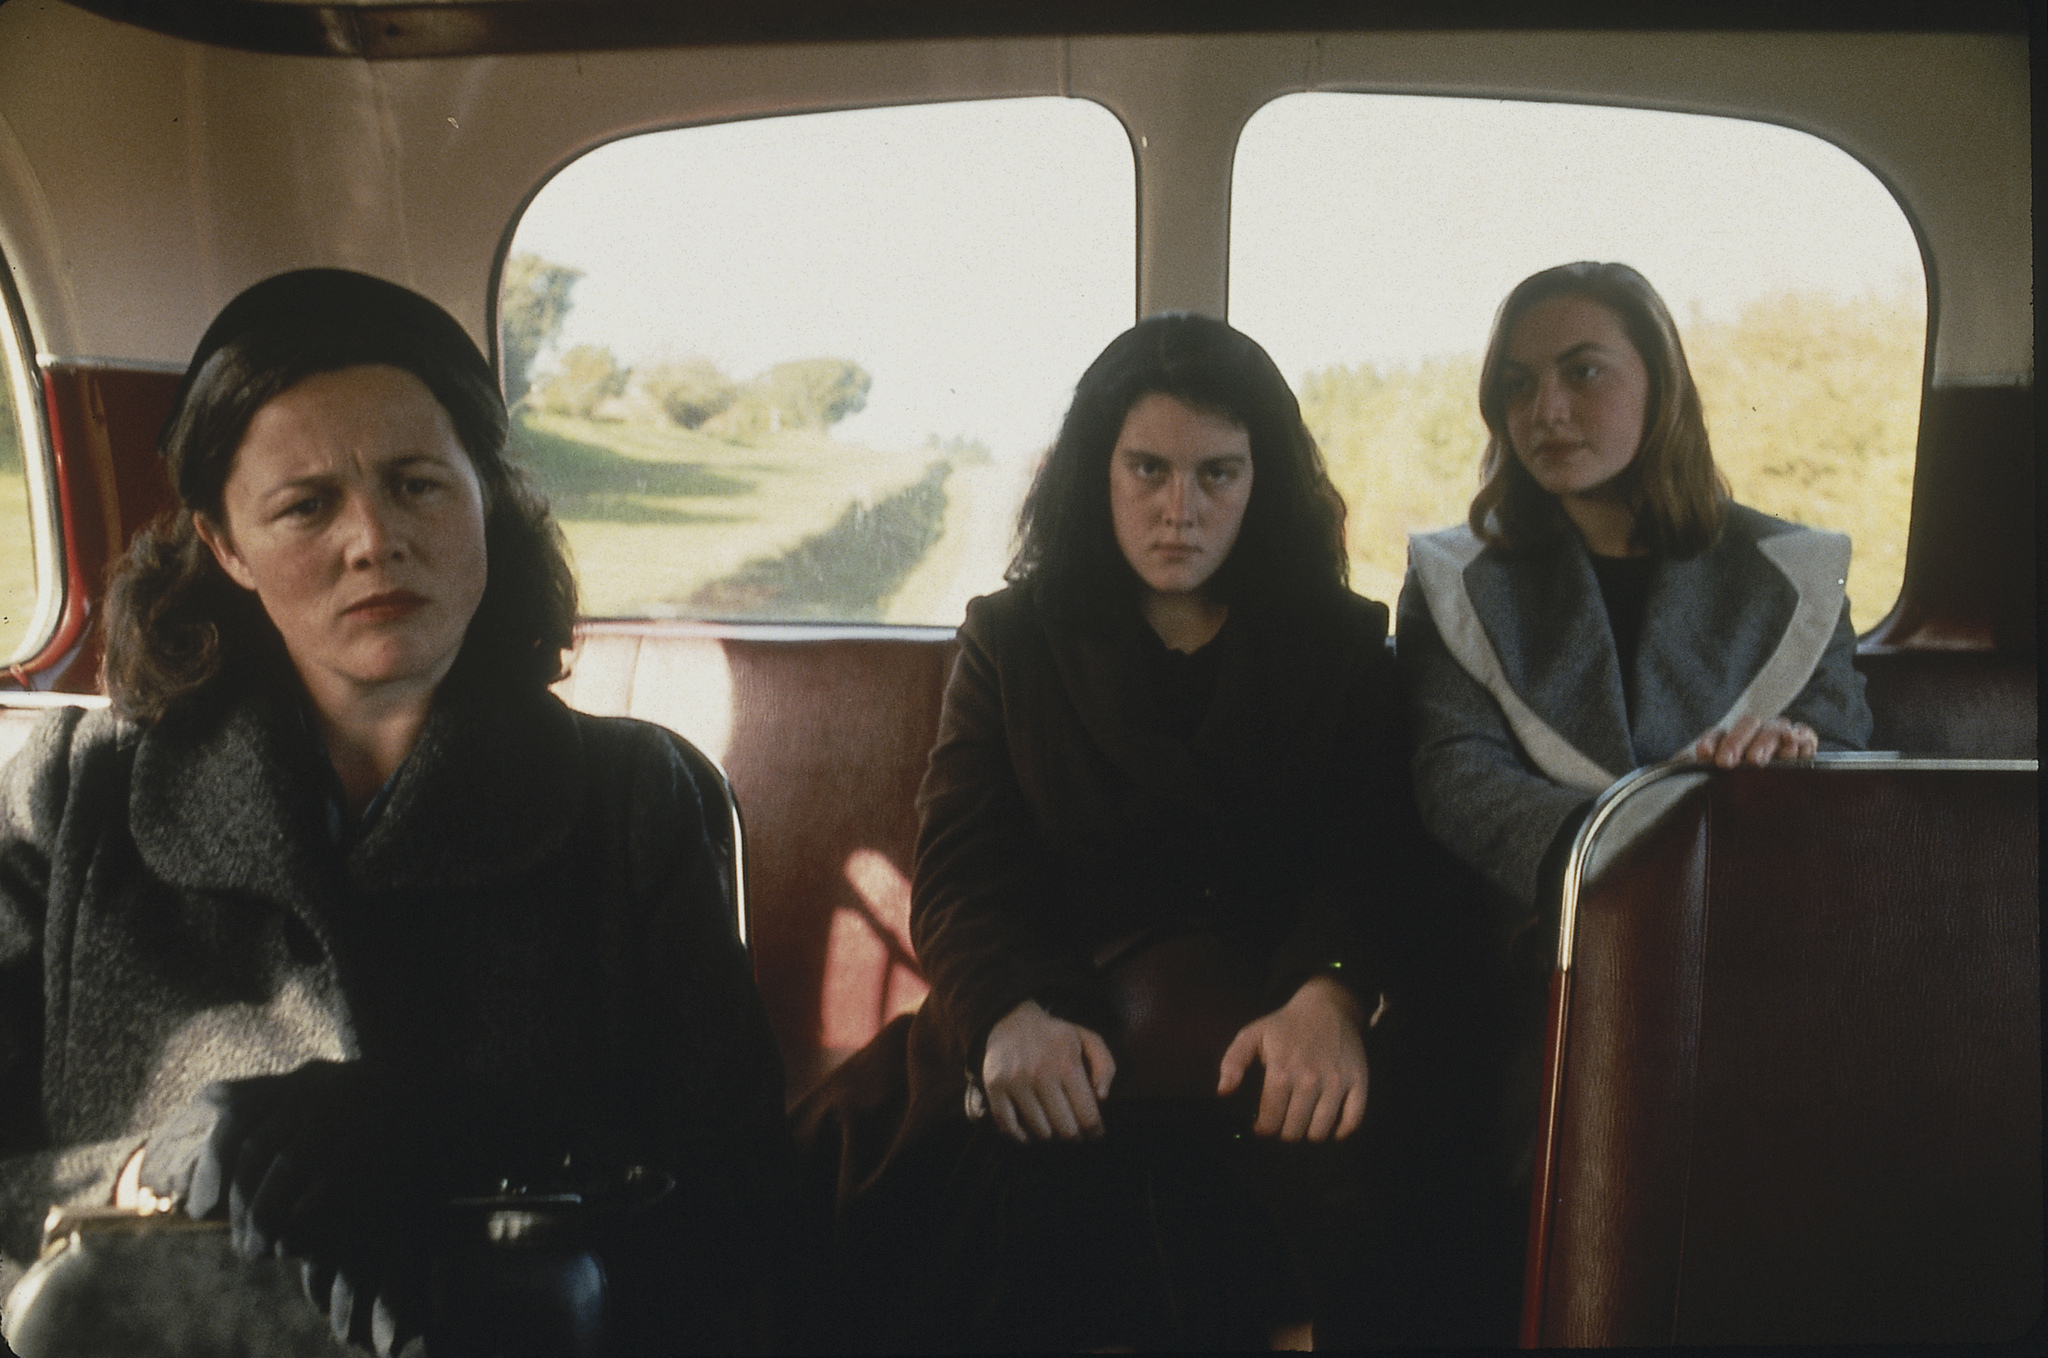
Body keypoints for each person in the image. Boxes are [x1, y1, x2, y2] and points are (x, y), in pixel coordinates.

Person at [0, 269, 789, 1355]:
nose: (373, 538)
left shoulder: (635, 800)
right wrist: (147, 1175)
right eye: (305, 503)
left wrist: (473, 1143)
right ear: (226, 544)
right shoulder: (69, 792)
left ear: (486, 501)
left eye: (417, 483)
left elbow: (739, 1205)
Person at [792, 312, 1424, 1351]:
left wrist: (1330, 991)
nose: (1180, 509)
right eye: (1147, 469)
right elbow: (959, 867)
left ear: (1261, 480)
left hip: (1262, 1025)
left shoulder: (1342, 645)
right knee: (908, 1186)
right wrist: (1005, 1013)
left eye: (1217, 473)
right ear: (1098, 470)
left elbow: (1370, 853)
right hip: (1047, 1006)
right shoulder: (1011, 639)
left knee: (1350, 1189)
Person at [1396, 262, 1874, 1203]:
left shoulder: (1794, 577)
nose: (1548, 411)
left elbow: (1843, 746)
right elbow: (1456, 774)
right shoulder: (1454, 579)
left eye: (1584, 373)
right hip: (1544, 945)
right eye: (1518, 384)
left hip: (1746, 937)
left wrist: (1792, 763)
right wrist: (1630, 852)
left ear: (1661, 386)